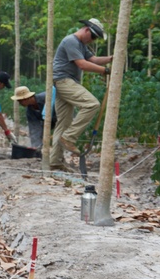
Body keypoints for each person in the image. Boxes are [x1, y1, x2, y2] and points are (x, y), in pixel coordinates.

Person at [49, 18, 113, 171]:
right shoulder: (71, 41)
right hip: (64, 80)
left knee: (63, 123)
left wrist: (112, 59)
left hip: (66, 82)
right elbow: (82, 64)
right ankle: (70, 137)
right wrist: (105, 71)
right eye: (93, 37)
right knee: (91, 104)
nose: (93, 40)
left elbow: (94, 60)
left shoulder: (81, 45)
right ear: (86, 30)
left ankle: (55, 161)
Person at [11, 85, 56, 149]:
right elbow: (35, 129)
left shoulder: (46, 97)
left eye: (20, 101)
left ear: (26, 98)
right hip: (49, 121)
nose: (19, 103)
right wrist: (35, 146)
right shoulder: (30, 111)